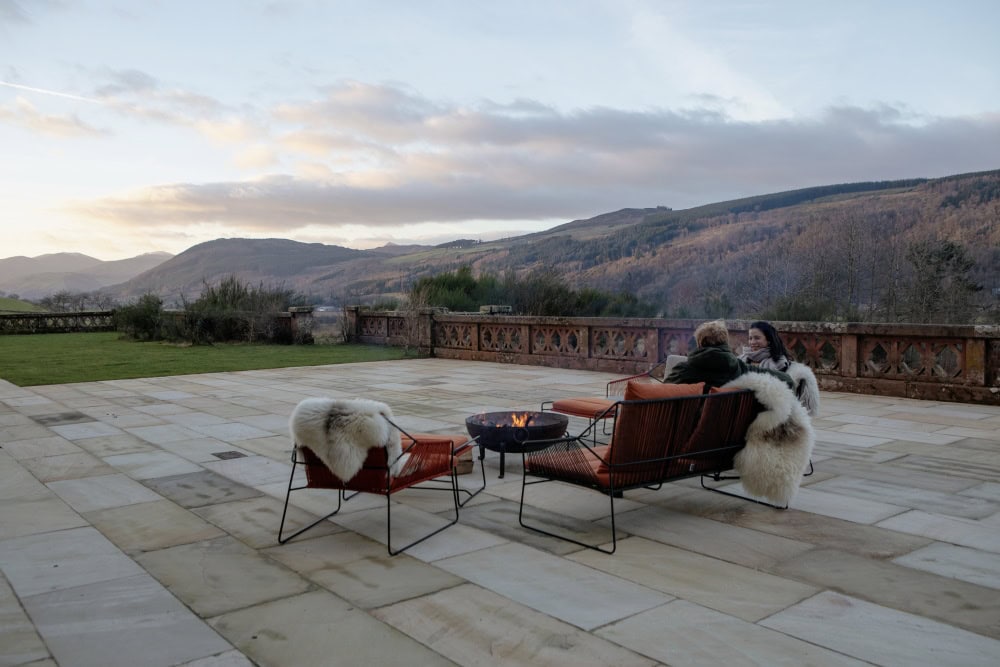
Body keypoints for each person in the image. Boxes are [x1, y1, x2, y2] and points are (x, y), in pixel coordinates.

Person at [666, 319, 794, 391]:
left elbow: (660, 394)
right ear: (725, 341)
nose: (752, 342)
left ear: (700, 343)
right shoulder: (740, 367)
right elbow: (787, 380)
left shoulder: (685, 369)